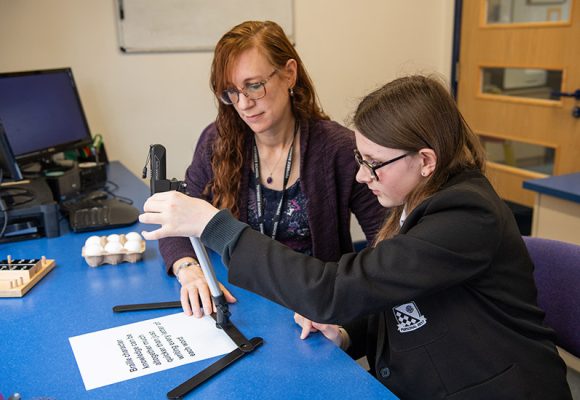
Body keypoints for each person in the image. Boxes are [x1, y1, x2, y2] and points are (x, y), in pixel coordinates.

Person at [141, 75, 572, 399]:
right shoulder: (417, 199)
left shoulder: (465, 214)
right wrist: (347, 334)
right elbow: (404, 298)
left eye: (374, 163)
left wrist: (215, 226)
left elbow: (337, 290)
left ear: (425, 159)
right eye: (358, 159)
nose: (363, 176)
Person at [158, 20, 386, 318]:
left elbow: (386, 245)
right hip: (240, 302)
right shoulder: (217, 141)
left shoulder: (339, 149)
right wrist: (188, 269)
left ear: (289, 74)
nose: (243, 104)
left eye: (254, 86)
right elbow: (177, 217)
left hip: (310, 309)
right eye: (231, 92)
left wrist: (343, 319)